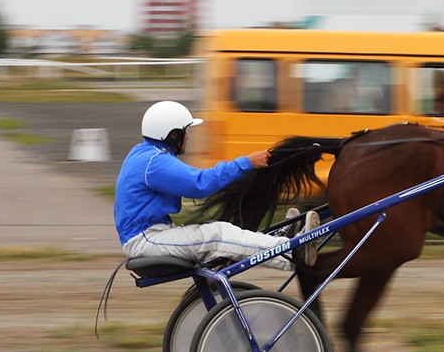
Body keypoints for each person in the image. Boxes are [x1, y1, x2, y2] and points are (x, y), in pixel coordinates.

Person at [114, 100, 319, 271]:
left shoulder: (146, 155)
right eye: (185, 131)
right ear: (173, 135)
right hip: (146, 240)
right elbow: (200, 184)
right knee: (217, 235)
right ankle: (292, 251)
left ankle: (278, 243)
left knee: (221, 231)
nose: (188, 136)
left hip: (151, 235)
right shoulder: (153, 162)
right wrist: (246, 163)